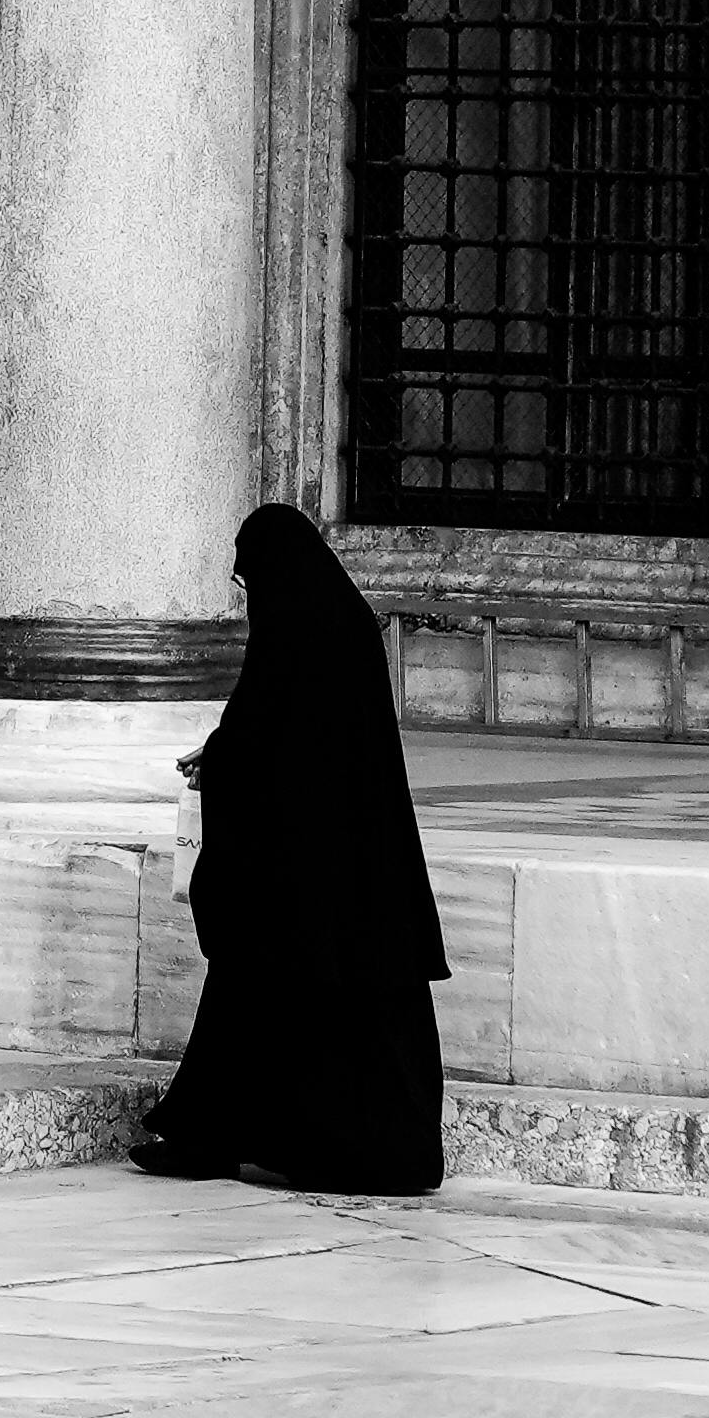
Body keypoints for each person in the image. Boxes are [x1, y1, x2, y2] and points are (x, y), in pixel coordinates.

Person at [134, 503, 449, 1195]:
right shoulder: (343, 622)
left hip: (298, 874)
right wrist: (221, 755)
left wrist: (220, 761)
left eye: (249, 585)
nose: (250, 601)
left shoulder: (293, 633)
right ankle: (243, 1139)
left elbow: (265, 736)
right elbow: (289, 736)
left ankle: (212, 1138)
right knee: (335, 1006)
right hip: (357, 869)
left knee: (259, 987)